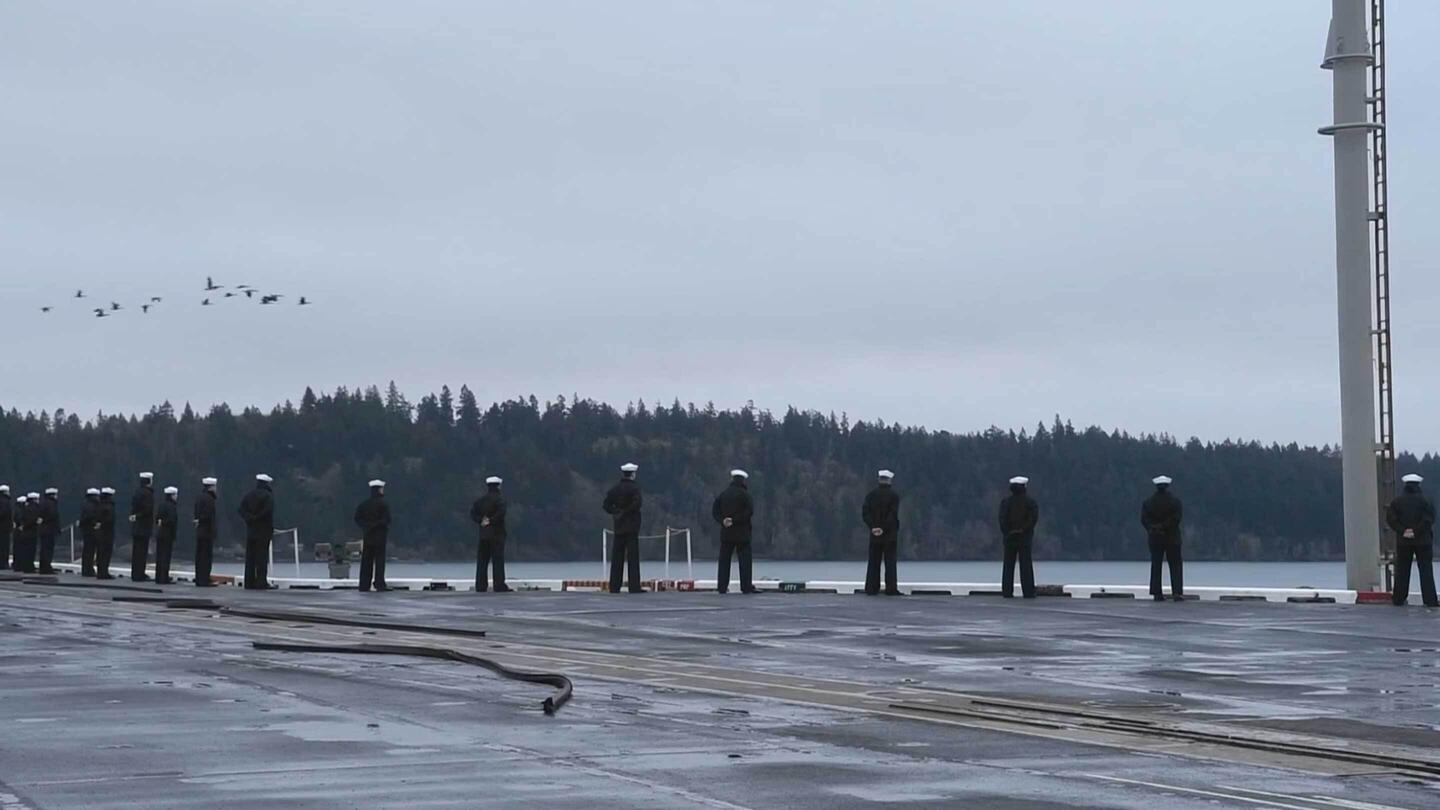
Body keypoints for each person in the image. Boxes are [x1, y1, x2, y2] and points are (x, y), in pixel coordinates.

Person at [1386, 473, 1438, 607]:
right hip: (1423, 541)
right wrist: (1416, 531)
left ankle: (1398, 598)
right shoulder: (1426, 500)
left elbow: (1391, 519)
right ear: (1418, 485)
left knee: (1402, 570)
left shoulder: (1396, 502)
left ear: (1405, 485)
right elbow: (1428, 519)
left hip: (1404, 541)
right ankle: (1430, 600)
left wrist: (1403, 530)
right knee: (1426, 570)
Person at [712, 470, 757, 594]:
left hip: (727, 533)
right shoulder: (745, 495)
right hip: (742, 534)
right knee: (745, 562)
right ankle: (746, 586)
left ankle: (722, 586)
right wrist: (735, 520)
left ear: (732, 480)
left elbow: (715, 511)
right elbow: (749, 512)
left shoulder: (723, 494)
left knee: (724, 561)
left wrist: (723, 520)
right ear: (743, 481)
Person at [1141, 475, 1184, 601]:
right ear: (1167, 486)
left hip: (1155, 537)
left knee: (1156, 564)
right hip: (1172, 536)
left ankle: (1156, 592)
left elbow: (1144, 520)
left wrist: (1153, 528)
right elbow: (1176, 519)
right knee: (1175, 564)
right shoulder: (1175, 502)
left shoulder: (1148, 502)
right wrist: (1164, 526)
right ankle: (1176, 592)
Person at [603, 463, 644, 593]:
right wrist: (627, 511)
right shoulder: (635, 489)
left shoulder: (615, 489)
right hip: (632, 527)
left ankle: (614, 586)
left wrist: (616, 511)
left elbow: (606, 505)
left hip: (619, 526)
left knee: (617, 557)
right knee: (633, 558)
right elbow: (638, 504)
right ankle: (634, 586)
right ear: (633, 474)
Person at [998, 476, 1039, 599]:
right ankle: (1028, 591)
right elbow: (1033, 519)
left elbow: (1002, 519)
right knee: (1025, 564)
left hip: (1009, 537)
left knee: (1008, 565)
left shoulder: (1005, 502)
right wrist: (1023, 530)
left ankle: (1007, 591)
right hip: (1024, 537)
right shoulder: (1030, 502)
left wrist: (1008, 532)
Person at [863, 470, 902, 596]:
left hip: (874, 534)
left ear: (879, 480)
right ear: (890, 480)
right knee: (890, 562)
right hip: (889, 534)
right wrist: (883, 528)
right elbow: (892, 514)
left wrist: (873, 527)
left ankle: (871, 587)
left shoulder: (870, 496)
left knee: (873, 561)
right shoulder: (894, 496)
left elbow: (865, 513)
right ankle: (891, 588)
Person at [471, 476, 510, 592]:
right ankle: (499, 585)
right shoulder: (500, 500)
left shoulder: (480, 501)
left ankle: (480, 585)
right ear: (499, 486)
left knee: (482, 561)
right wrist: (491, 521)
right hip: (497, 534)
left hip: (483, 534)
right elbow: (501, 513)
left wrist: (481, 520)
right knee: (497, 561)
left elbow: (473, 513)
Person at [238, 474, 276, 590]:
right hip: (263, 530)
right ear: (267, 484)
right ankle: (261, 581)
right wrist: (258, 517)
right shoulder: (268, 496)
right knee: (262, 557)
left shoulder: (249, 495)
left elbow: (240, 510)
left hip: (251, 529)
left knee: (250, 557)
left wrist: (249, 518)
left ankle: (249, 582)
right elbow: (267, 511)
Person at [354, 479, 392, 592]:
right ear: (380, 490)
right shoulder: (384, 504)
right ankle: (379, 584)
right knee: (379, 560)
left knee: (366, 560)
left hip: (368, 535)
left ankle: (364, 584)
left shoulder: (363, 504)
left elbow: (357, 518)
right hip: (380, 535)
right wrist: (377, 525)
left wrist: (366, 526)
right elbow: (387, 520)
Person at [129, 472, 156, 581]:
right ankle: (140, 574)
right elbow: (148, 510)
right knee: (142, 551)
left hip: (136, 526)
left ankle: (135, 573)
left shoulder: (137, 492)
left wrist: (134, 516)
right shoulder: (148, 494)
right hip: (144, 526)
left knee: (136, 551)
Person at [193, 477, 219, 587]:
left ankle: (199, 578)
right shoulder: (210, 499)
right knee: (206, 557)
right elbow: (208, 516)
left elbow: (196, 513)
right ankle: (205, 579)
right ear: (211, 487)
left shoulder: (199, 497)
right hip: (207, 531)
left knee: (199, 556)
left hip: (200, 531)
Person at [154, 486, 179, 584]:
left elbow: (157, 518)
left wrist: (161, 522)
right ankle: (164, 577)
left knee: (159, 556)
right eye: (175, 495)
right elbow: (172, 520)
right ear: (172, 495)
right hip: (168, 534)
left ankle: (158, 576)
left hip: (160, 533)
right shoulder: (172, 506)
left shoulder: (161, 505)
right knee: (166, 556)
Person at [37, 487, 60, 575]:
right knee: (48, 550)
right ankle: (47, 568)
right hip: (49, 530)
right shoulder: (52, 504)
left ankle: (42, 567)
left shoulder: (42, 503)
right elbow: (53, 515)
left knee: (43, 549)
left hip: (43, 530)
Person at [79, 488, 101, 577]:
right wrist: (95, 523)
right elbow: (90, 517)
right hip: (91, 530)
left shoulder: (86, 505)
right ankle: (88, 570)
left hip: (86, 530)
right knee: (90, 552)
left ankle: (86, 569)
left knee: (87, 551)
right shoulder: (93, 506)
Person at [96, 487, 117, 579]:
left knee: (100, 552)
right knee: (106, 553)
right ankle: (104, 572)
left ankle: (100, 571)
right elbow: (110, 519)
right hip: (107, 532)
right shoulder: (109, 506)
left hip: (99, 532)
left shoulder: (99, 505)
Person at [12, 494, 35, 573]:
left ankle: (17, 565)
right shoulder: (21, 510)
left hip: (17, 532)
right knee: (21, 549)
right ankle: (20, 565)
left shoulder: (16, 509)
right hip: (21, 532)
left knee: (17, 549)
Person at [0, 485, 12, 570]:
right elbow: (4, 513)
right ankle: (3, 564)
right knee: (4, 547)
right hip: (4, 527)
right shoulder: (5, 501)